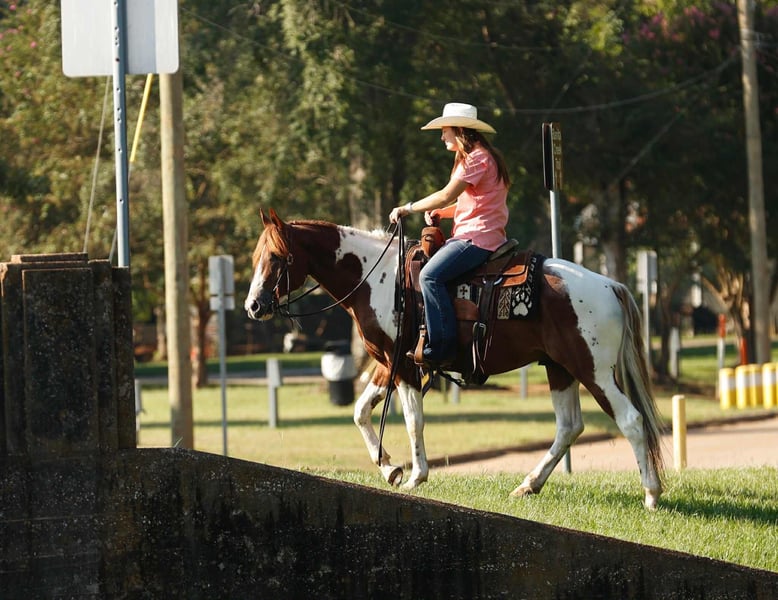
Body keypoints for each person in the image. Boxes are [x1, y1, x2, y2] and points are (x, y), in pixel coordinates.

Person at [389, 102, 511, 366]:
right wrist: (443, 213)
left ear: (459, 130)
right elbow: (476, 203)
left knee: (429, 276)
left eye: (445, 130)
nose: (442, 136)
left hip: (476, 238)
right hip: (482, 235)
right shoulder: (483, 156)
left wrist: (406, 208)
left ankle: (441, 348)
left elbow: (445, 194)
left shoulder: (476, 158)